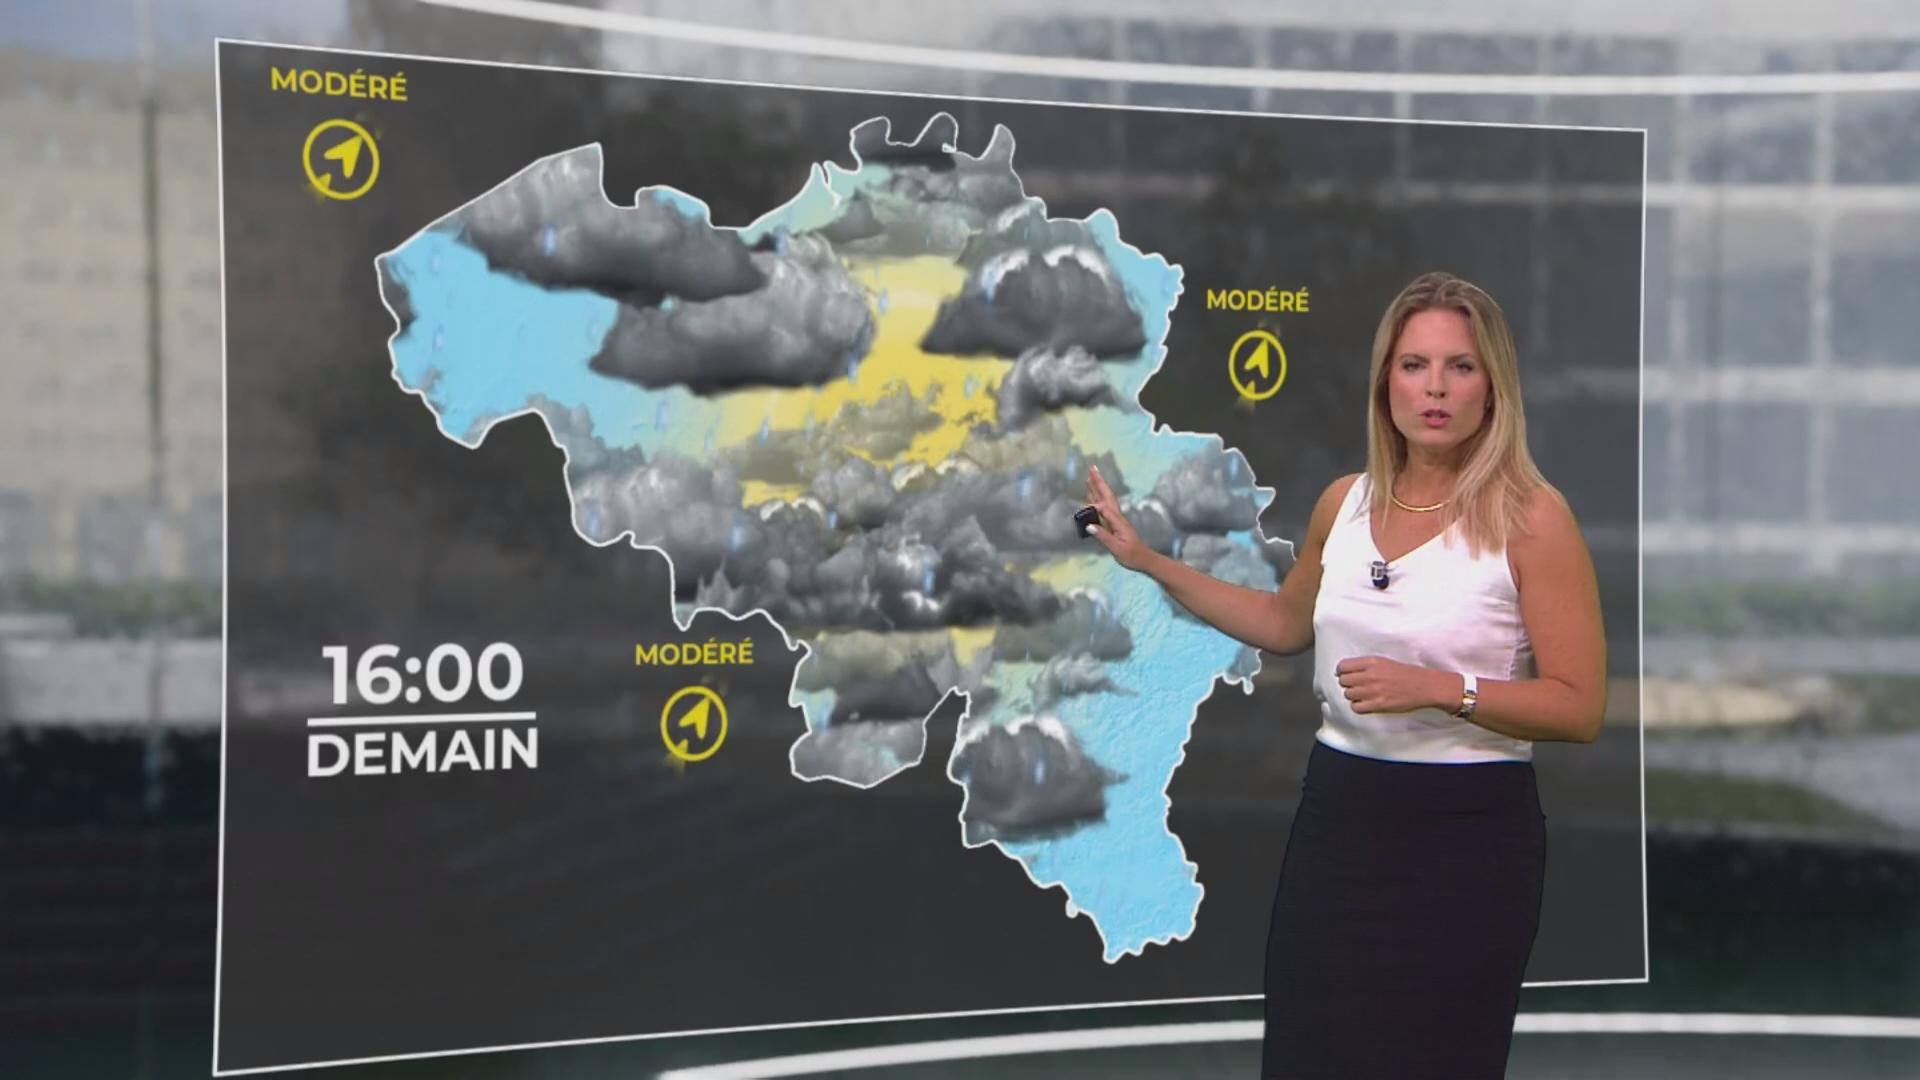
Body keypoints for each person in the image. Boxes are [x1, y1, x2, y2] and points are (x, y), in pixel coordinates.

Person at [1083, 271, 1607, 1078]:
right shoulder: (1344, 505)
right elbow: (1282, 624)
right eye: (1414, 365)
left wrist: (1441, 690)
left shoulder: (1532, 518)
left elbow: (1579, 706)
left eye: (1460, 367)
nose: (1435, 388)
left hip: (1469, 839)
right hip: (1340, 824)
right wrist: (1150, 561)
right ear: (1386, 382)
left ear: (1493, 388)